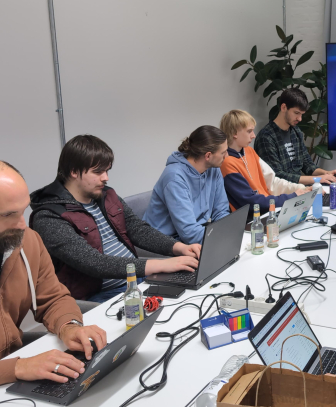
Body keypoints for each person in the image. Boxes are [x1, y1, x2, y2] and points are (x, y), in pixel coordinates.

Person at [30, 135, 200, 303]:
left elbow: (138, 230)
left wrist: (180, 248)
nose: (106, 177)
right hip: (100, 295)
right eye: (98, 172)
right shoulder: (49, 217)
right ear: (73, 171)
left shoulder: (106, 195)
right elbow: (94, 263)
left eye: (107, 170)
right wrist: (163, 265)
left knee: (194, 295)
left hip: (135, 279)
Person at [0, 161, 108, 385]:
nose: (22, 224)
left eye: (23, 210)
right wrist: (17, 367)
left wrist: (69, 326)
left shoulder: (26, 240)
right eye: (9, 215)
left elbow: (52, 298)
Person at [144, 126, 230, 245]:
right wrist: (220, 240)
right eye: (223, 152)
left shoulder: (213, 169)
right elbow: (189, 233)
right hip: (166, 241)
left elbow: (221, 212)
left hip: (196, 233)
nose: (227, 156)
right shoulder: (174, 177)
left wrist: (228, 234)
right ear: (208, 156)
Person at [219, 110, 310, 215]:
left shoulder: (249, 151)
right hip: (254, 218)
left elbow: (272, 182)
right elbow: (251, 202)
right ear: (234, 133)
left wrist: (302, 189)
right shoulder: (227, 163)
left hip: (269, 210)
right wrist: (292, 197)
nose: (253, 135)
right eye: (249, 131)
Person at [254, 88, 336, 185]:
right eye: (296, 113)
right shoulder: (266, 137)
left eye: (302, 114)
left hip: (298, 189)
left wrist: (326, 173)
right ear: (284, 107)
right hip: (281, 193)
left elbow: (307, 163)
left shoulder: (295, 131)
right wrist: (317, 179)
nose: (300, 119)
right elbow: (277, 176)